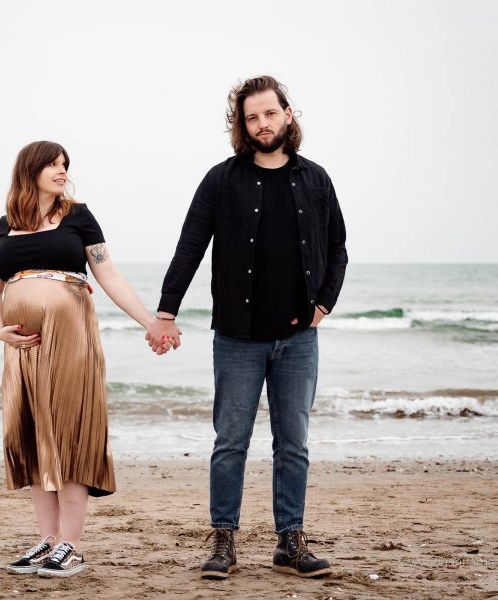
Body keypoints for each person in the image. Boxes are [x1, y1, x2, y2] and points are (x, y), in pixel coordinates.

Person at [145, 76, 347, 579]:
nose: (261, 124)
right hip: (237, 337)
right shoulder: (222, 180)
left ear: (287, 114)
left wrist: (325, 302)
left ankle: (290, 542)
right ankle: (223, 541)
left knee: (293, 442)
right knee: (230, 441)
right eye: (251, 117)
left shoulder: (316, 179)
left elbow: (338, 247)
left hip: (299, 338)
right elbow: (190, 246)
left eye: (269, 114)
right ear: (242, 125)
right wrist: (165, 312)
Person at [0, 141, 162, 578]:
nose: (62, 171)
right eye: (53, 164)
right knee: (34, 437)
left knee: (68, 433)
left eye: (65, 165)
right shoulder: (6, 224)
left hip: (71, 342)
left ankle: (72, 545)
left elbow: (109, 274)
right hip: (23, 351)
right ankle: (47, 541)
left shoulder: (78, 216)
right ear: (31, 169)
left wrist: (151, 322)